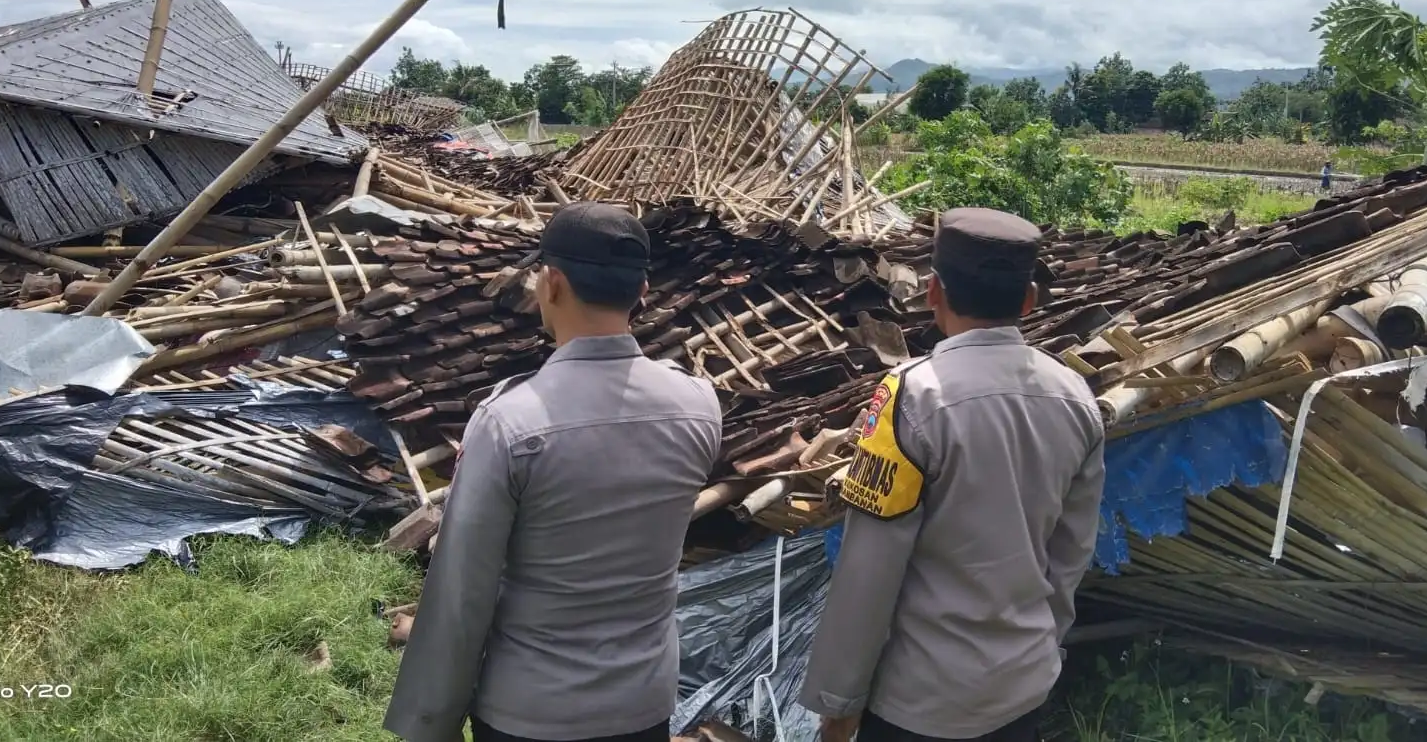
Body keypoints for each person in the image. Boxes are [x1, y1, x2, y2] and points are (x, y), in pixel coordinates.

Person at [384, 201, 723, 742]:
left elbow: (461, 594)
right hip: (644, 702)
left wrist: (431, 723)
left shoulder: (509, 422)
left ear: (552, 283)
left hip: (531, 711)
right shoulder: (698, 404)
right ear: (642, 292)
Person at [799, 208, 1106, 742]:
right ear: (1030, 299)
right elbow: (1071, 554)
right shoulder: (1075, 396)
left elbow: (870, 566)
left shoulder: (910, 398)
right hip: (1021, 687)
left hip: (920, 699)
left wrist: (839, 700)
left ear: (934, 290)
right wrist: (1038, 648)